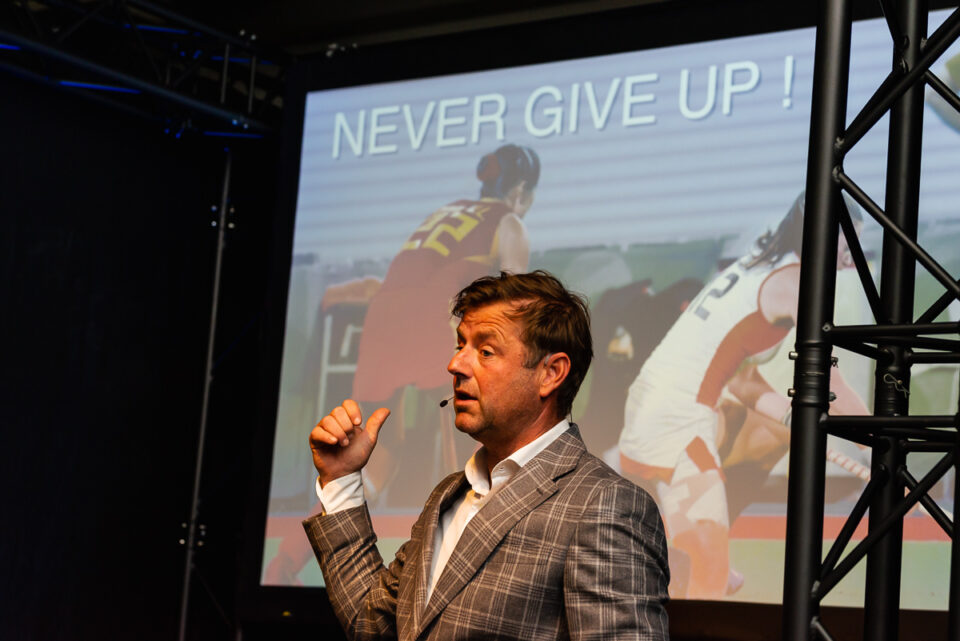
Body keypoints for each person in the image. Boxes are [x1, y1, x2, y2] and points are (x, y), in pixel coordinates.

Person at [304, 271, 671, 641]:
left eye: (485, 351)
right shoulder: (448, 496)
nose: (456, 365)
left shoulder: (605, 505)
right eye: (459, 345)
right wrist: (341, 481)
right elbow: (374, 626)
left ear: (551, 373)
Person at [618, 192, 871, 599]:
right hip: (678, 418)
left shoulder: (762, 262)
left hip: (662, 401)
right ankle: (695, 553)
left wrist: (793, 418)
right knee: (708, 578)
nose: (854, 253)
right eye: (849, 242)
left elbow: (743, 382)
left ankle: (693, 541)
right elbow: (832, 385)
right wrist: (879, 447)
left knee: (772, 434)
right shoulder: (795, 284)